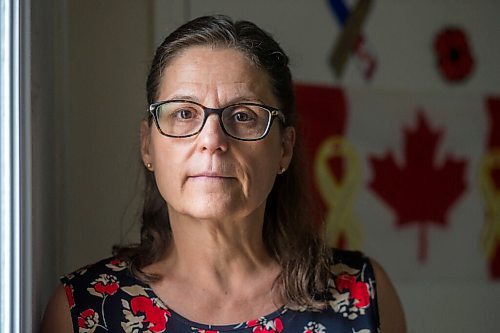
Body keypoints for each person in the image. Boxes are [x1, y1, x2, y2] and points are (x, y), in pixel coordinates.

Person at [41, 15, 406, 333]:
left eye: (244, 115)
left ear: (284, 148)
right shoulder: (85, 312)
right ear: (147, 145)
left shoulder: (362, 298)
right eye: (184, 113)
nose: (212, 140)